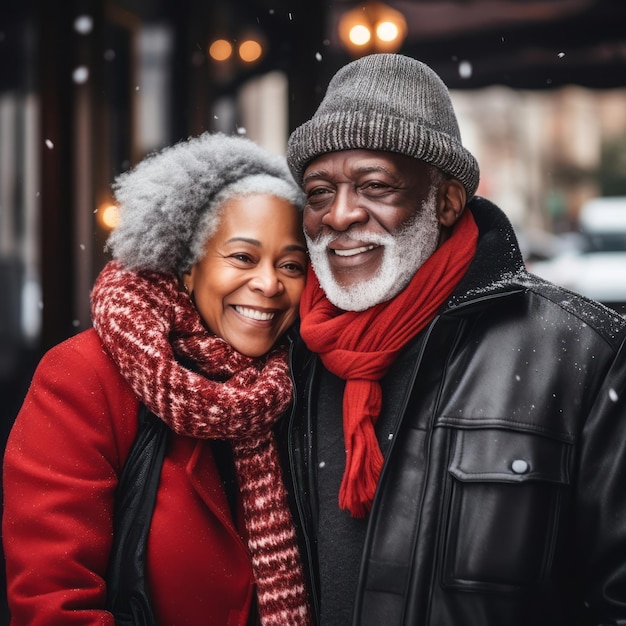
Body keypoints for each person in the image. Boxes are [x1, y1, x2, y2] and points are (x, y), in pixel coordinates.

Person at [281, 53, 626, 625]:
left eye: (374, 185)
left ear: (445, 201)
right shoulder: (281, 354)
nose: (339, 215)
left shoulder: (582, 356)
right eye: (318, 192)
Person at [2, 132, 312, 626]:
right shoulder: (84, 377)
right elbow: (55, 606)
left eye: (291, 265)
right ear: (187, 268)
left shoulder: (302, 384)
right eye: (242, 257)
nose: (270, 284)